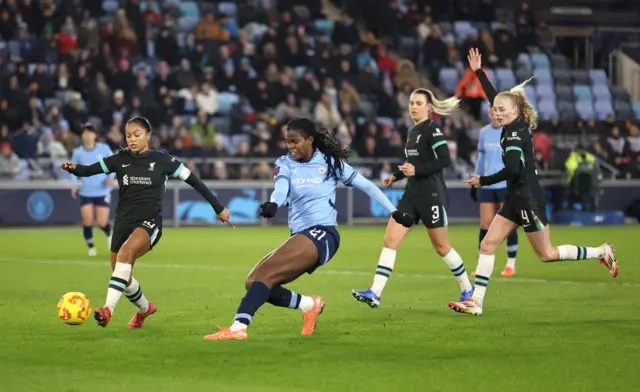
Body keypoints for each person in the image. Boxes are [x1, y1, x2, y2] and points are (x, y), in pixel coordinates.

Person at [202, 117, 413, 341]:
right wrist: (275, 203)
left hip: (324, 233)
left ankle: (238, 327)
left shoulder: (330, 163)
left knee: (265, 274)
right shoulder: (285, 163)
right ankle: (309, 304)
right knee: (253, 282)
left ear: (309, 140)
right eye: (288, 142)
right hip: (302, 234)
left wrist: (393, 211)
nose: (291, 146)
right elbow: (281, 188)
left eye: (295, 141)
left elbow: (367, 185)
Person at [449, 49, 619, 316]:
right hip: (516, 197)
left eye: (502, 110)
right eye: (495, 110)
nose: (497, 113)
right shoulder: (508, 121)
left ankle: (601, 251)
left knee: (546, 254)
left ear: (515, 110)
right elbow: (496, 98)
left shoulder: (516, 133)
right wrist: (479, 72)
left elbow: (514, 169)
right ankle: (476, 302)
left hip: (528, 198)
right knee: (487, 245)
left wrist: (484, 180)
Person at [60, 116, 233, 328]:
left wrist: (218, 208)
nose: (132, 139)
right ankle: (145, 309)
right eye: (128, 135)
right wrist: (73, 168)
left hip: (149, 222)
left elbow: (194, 180)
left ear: (148, 136)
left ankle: (107, 310)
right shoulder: (120, 159)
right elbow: (88, 171)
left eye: (137, 135)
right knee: (121, 273)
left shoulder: (163, 161)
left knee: (125, 256)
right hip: (123, 221)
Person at [351, 88, 474, 308]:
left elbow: (445, 160)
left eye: (418, 103)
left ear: (429, 107)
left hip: (432, 195)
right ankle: (375, 292)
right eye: (411, 102)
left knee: (441, 247)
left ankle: (467, 289)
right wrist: (396, 176)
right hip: (411, 194)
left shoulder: (432, 129)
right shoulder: (412, 131)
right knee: (390, 242)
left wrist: (417, 171)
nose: (413, 107)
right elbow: (412, 166)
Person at [471, 106, 519, 277]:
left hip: (505, 183)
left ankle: (510, 264)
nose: (494, 115)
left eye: (497, 111)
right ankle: (481, 266)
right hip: (487, 183)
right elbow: (481, 158)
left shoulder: (511, 132)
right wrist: (476, 179)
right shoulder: (484, 133)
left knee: (508, 224)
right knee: (485, 224)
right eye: (491, 112)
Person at [70, 124, 115, 256]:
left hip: (102, 191)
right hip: (86, 191)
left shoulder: (104, 148)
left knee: (102, 222)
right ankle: (91, 247)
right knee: (87, 220)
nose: (87, 135)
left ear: (95, 135)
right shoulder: (77, 152)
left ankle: (109, 234)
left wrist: (110, 177)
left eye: (90, 133)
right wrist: (74, 185)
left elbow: (113, 164)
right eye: (85, 133)